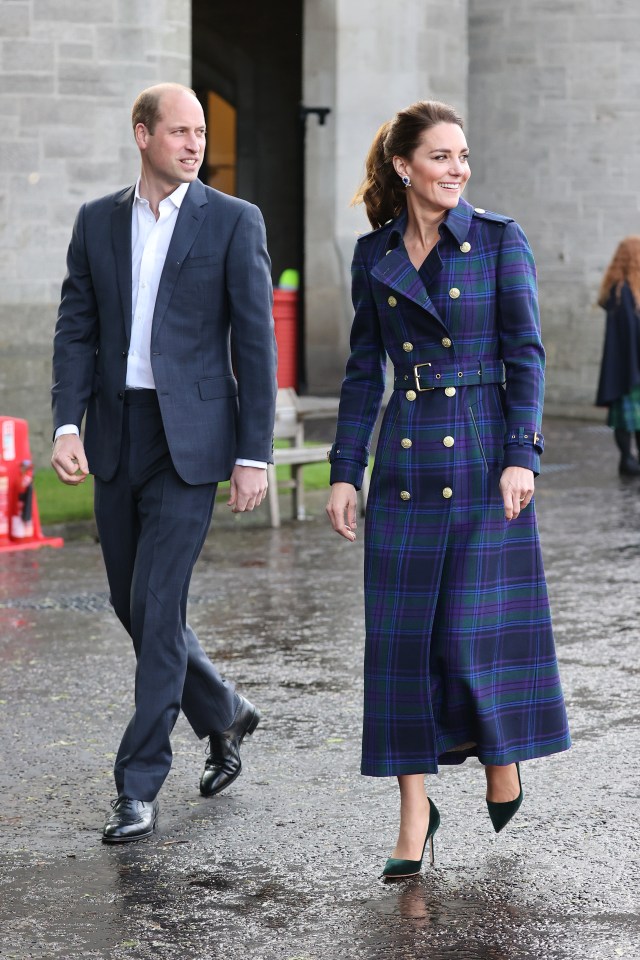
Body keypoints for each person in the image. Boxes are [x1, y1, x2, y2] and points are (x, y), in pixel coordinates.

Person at [326, 100, 571, 878]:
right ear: (405, 167)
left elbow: (526, 355)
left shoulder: (499, 240)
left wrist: (521, 453)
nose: (458, 170)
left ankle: (502, 753)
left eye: (463, 156)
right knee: (400, 648)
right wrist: (343, 470)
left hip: (478, 456)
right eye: (441, 157)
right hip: (404, 469)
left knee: (467, 635)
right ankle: (413, 813)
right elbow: (365, 372)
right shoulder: (374, 257)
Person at [51, 83, 277, 843]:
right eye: (178, 132)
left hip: (195, 443)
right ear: (141, 134)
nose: (194, 144)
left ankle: (137, 782)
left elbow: (255, 342)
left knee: (158, 608)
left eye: (201, 133)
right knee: (132, 604)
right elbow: (75, 328)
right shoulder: (97, 221)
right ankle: (224, 711)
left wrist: (254, 453)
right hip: (117, 435)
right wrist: (64, 424)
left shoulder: (233, 221)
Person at [595, 237, 640, 476]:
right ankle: (627, 459)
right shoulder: (624, 292)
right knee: (629, 418)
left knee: (629, 418)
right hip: (631, 367)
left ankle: (629, 459)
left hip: (625, 366)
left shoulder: (618, 290)